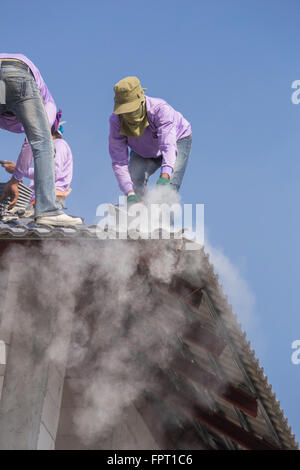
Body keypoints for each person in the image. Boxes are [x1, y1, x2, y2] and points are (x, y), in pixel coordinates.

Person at [0, 54, 82, 225]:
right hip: (18, 73)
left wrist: (16, 176)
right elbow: (35, 141)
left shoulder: (49, 112)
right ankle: (47, 211)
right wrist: (16, 178)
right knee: (43, 143)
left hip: (13, 70)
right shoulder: (48, 104)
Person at [109, 76, 192, 207]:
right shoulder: (116, 122)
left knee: (167, 190)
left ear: (141, 101)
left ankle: (163, 224)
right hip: (143, 149)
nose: (129, 114)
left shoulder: (160, 110)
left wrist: (165, 176)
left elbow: (168, 146)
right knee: (135, 185)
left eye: (132, 109)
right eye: (125, 111)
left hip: (177, 140)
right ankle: (137, 219)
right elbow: (119, 161)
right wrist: (130, 193)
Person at [2, 110, 73, 213]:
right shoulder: (49, 149)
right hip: (41, 199)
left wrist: (19, 171)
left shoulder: (59, 144)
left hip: (49, 198)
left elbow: (52, 174)